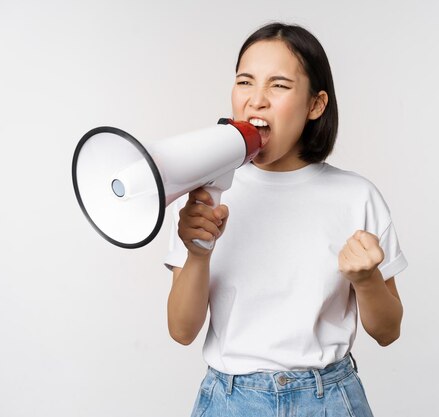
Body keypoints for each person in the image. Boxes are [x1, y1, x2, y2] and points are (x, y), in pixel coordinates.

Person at [164, 22, 408, 417]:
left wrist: (366, 280)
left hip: (328, 400)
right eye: (245, 82)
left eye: (278, 85)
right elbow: (181, 330)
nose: (256, 100)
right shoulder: (205, 195)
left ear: (315, 105)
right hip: (229, 401)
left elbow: (388, 331)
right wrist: (198, 253)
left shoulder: (357, 197)